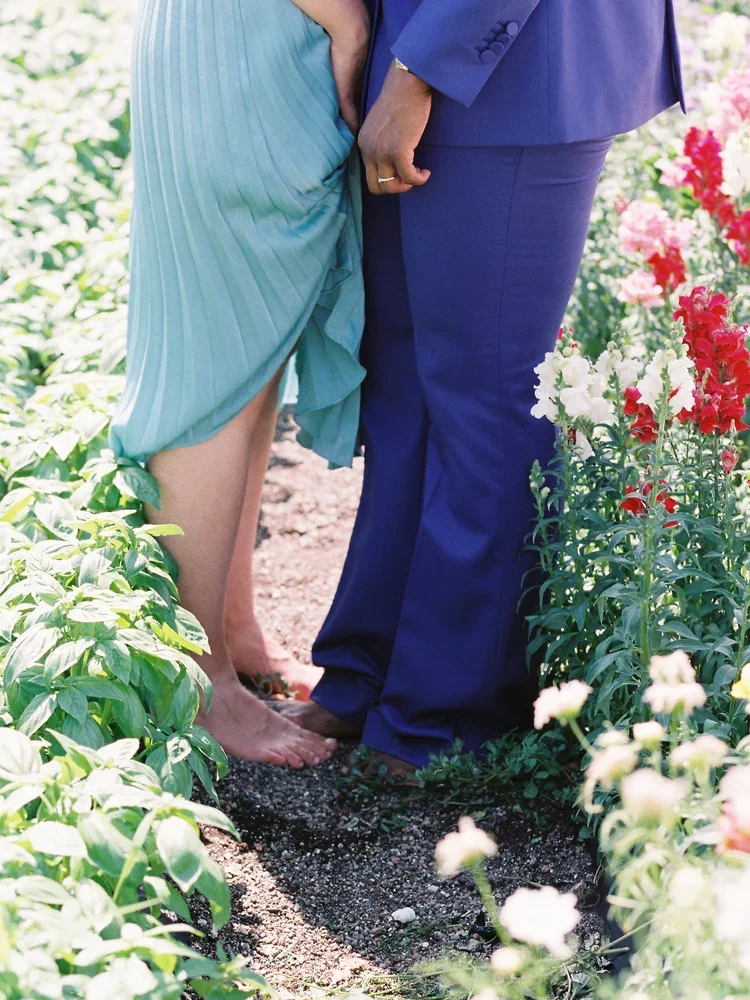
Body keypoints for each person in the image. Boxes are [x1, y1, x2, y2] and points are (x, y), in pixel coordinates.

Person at [283, 0, 685, 776]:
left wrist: (419, 71)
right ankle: (370, 674)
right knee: (404, 388)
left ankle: (448, 713)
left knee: (486, 396)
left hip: (510, 63)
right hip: (422, 44)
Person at [110, 0, 371, 767]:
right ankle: (204, 681)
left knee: (253, 357)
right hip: (252, 41)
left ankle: (232, 629)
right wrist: (349, 25)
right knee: (216, 365)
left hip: (262, 40)